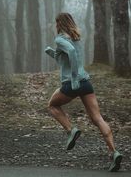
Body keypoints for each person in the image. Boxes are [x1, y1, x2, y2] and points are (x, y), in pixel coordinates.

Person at [45, 12, 123, 172]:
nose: (54, 25)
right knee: (98, 118)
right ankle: (114, 152)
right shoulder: (75, 37)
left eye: (55, 22)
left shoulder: (60, 39)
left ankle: (71, 130)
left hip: (71, 83)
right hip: (86, 82)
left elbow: (72, 54)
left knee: (52, 105)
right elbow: (67, 58)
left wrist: (73, 79)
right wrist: (53, 53)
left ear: (59, 23)